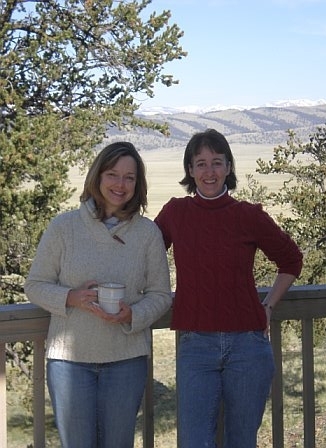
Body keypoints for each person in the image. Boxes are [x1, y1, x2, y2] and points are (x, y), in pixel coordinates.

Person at [154, 128, 303, 448]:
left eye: (217, 162)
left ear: (229, 167)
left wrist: (269, 306)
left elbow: (291, 261)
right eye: (201, 163)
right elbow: (144, 256)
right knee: (194, 442)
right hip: (196, 347)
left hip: (248, 345)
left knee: (241, 441)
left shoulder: (248, 216)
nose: (210, 171)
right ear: (190, 170)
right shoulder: (175, 213)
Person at [24, 142, 172, 448]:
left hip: (126, 361)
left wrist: (133, 314)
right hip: (69, 364)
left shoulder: (147, 233)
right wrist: (71, 297)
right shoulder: (64, 227)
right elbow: (35, 284)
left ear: (138, 184)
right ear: (97, 176)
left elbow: (160, 294)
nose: (120, 184)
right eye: (113, 174)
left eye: (129, 177)